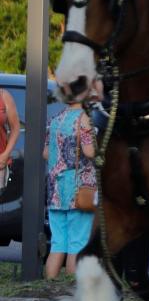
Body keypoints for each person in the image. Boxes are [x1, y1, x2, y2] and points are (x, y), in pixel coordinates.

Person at [43, 98, 95, 278]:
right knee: (77, 243)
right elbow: (89, 152)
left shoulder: (55, 119)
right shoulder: (85, 119)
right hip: (78, 190)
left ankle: (49, 287)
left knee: (57, 243)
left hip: (55, 189)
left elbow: (46, 153)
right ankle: (70, 288)